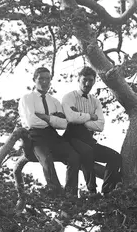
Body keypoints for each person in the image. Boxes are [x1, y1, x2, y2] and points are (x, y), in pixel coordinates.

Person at [18, 66, 81, 197]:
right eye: (41, 79)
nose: (45, 82)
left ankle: (71, 193)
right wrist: (54, 119)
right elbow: (31, 121)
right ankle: (56, 192)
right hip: (36, 137)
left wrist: (45, 117)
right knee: (46, 160)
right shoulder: (27, 98)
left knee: (74, 156)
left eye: (48, 79)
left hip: (53, 136)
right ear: (34, 79)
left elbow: (64, 124)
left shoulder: (54, 101)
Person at [60, 66, 122, 194]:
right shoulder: (69, 97)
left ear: (94, 81)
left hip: (88, 139)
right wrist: (90, 117)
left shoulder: (95, 102)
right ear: (78, 79)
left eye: (91, 80)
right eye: (84, 80)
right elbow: (71, 118)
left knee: (115, 157)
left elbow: (100, 126)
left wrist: (81, 117)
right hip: (71, 138)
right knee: (87, 152)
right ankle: (91, 190)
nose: (87, 83)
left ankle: (107, 191)